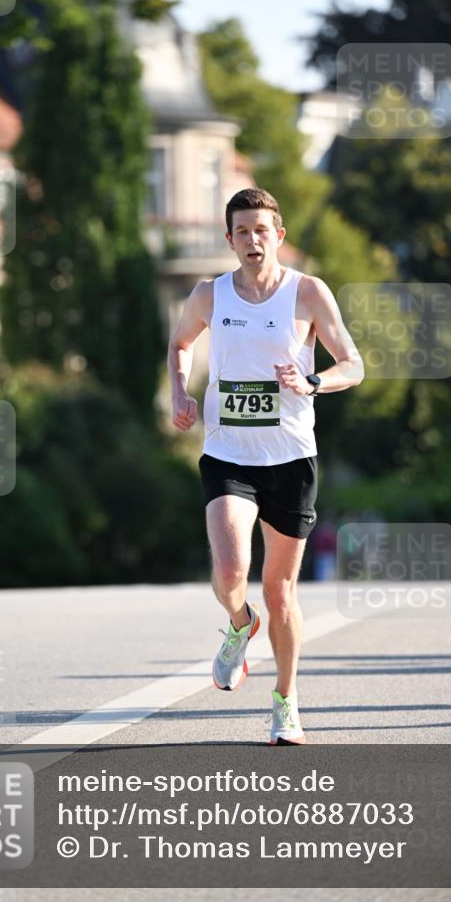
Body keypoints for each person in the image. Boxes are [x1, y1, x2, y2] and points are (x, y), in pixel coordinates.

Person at [168, 188, 363, 744]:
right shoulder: (210, 295)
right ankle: (237, 624)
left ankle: (286, 700)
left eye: (262, 230)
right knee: (230, 572)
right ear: (228, 240)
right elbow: (180, 343)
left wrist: (314, 381)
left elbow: (354, 364)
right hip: (228, 453)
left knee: (280, 591)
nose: (253, 241)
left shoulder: (308, 293)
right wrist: (179, 392)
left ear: (278, 235)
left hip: (292, 458)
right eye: (242, 232)